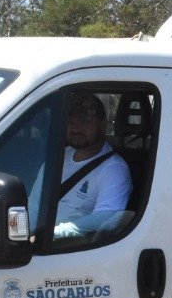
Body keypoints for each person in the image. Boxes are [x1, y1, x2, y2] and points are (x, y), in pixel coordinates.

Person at [54, 91, 131, 239]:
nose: (76, 128)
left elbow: (104, 219)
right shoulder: (59, 156)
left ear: (103, 125)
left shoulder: (114, 169)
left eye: (84, 121)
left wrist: (51, 234)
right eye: (71, 121)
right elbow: (35, 206)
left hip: (64, 248)